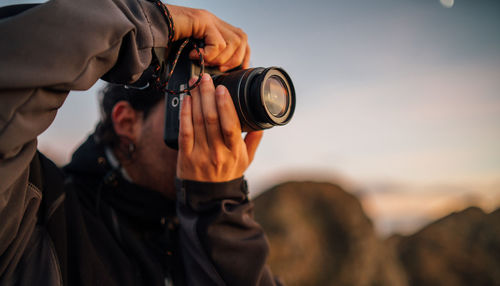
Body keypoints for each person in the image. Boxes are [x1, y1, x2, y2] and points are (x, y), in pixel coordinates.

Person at [0, 0, 281, 285]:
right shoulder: (37, 210)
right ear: (127, 122)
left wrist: (219, 212)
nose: (214, 121)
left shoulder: (203, 234)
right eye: (195, 98)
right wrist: (149, 25)